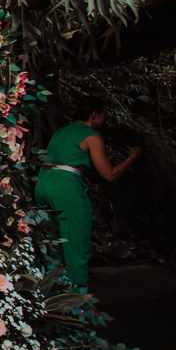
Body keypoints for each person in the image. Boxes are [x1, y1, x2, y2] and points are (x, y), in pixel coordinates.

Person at [35, 95, 141, 291]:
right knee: (75, 243)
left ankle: (52, 298)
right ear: (94, 114)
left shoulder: (60, 132)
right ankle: (77, 301)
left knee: (53, 244)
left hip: (43, 184)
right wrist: (133, 157)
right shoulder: (92, 136)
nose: (104, 118)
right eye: (103, 114)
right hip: (65, 189)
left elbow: (69, 158)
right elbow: (108, 175)